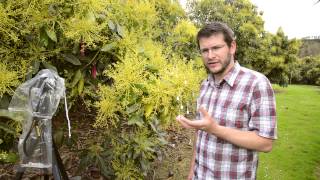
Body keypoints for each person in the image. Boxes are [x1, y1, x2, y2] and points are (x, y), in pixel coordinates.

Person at [176, 22, 277, 180]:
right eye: (205, 50)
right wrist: (191, 172)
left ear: (232, 47)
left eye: (216, 48)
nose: (210, 56)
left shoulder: (256, 83)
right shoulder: (205, 85)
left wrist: (215, 129)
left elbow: (265, 142)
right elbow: (200, 133)